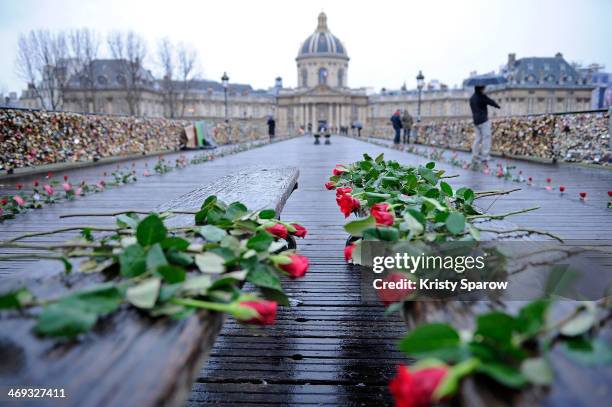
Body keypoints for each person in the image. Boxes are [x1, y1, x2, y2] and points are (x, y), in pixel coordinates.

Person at [469, 85, 500, 163]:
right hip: (483, 120)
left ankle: (474, 155)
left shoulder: (472, 98)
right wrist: (497, 106)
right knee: (487, 137)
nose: (484, 90)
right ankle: (485, 156)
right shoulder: (481, 96)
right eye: (484, 89)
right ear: (480, 89)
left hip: (476, 120)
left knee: (478, 138)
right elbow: (490, 101)